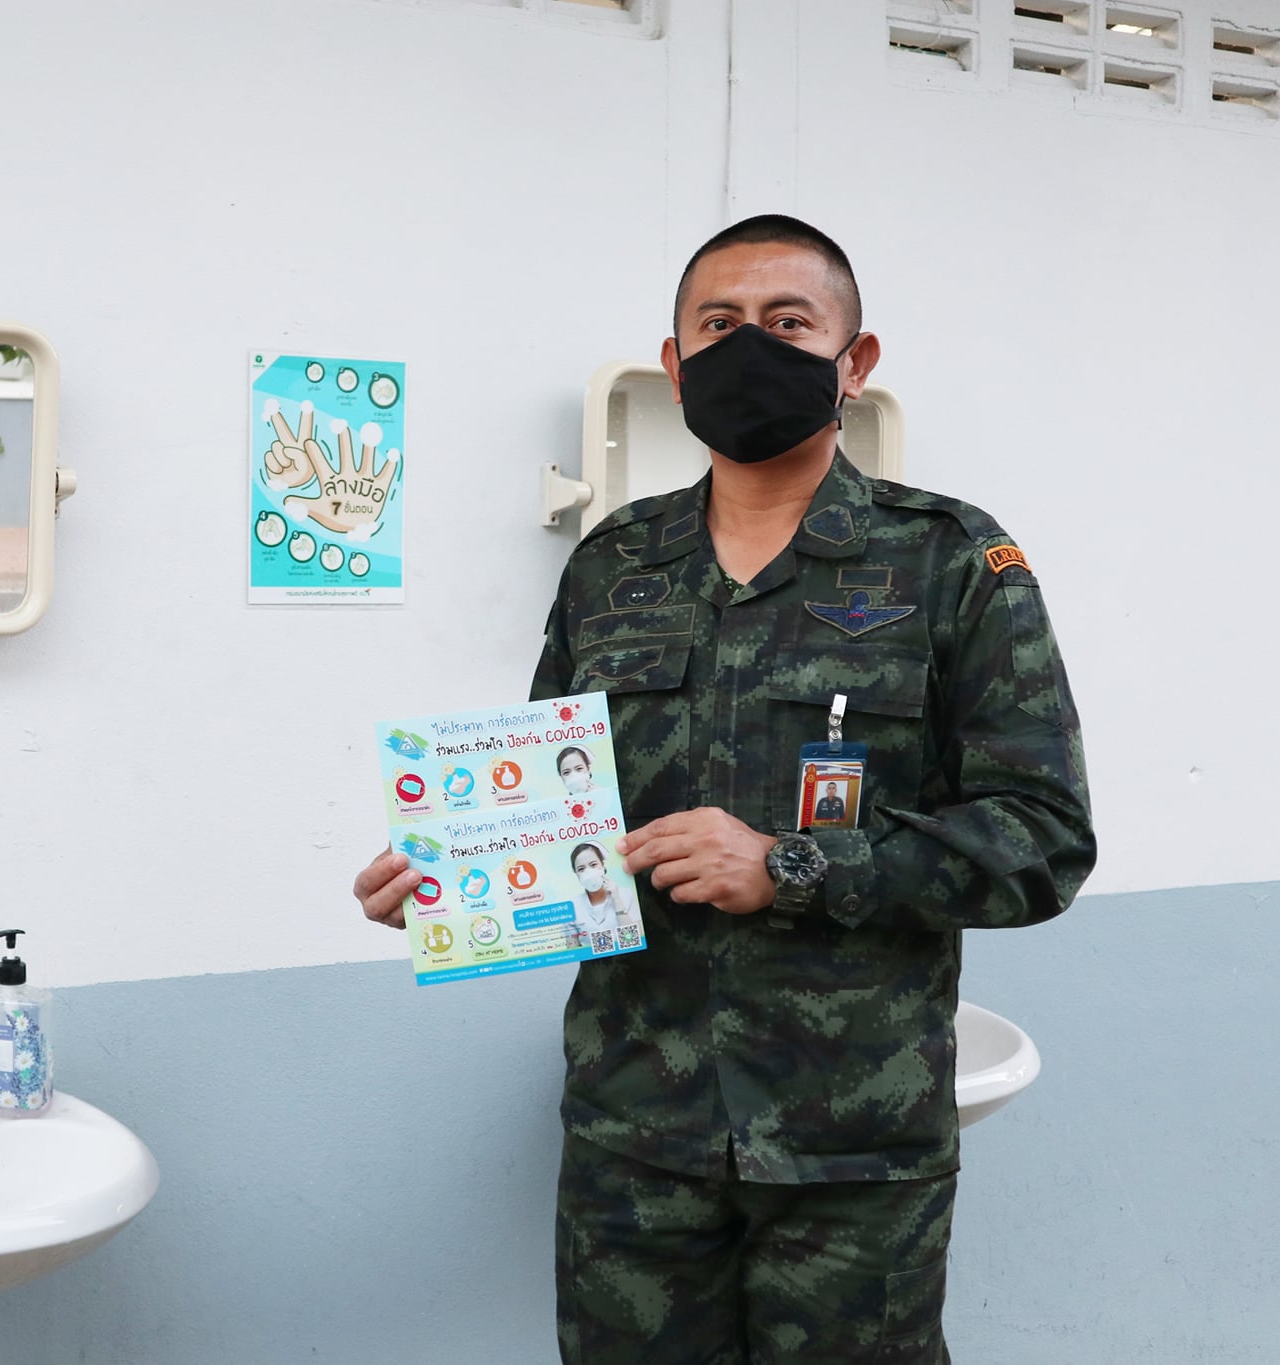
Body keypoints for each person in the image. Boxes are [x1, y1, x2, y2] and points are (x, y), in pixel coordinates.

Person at [353, 214, 1095, 1364]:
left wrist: (788, 866)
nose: (749, 344)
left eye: (787, 323)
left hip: (852, 1156)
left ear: (853, 362)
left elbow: (1040, 839)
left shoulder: (948, 560)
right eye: (718, 324)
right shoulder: (613, 563)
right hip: (633, 1142)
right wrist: (457, 884)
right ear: (675, 363)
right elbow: (554, 812)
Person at [569, 841, 639, 949]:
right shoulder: (571, 907)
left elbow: (633, 940)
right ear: (576, 874)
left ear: (602, 865)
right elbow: (573, 951)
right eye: (581, 869)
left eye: (593, 865)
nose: (588, 872)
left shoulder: (626, 895)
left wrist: (616, 898)